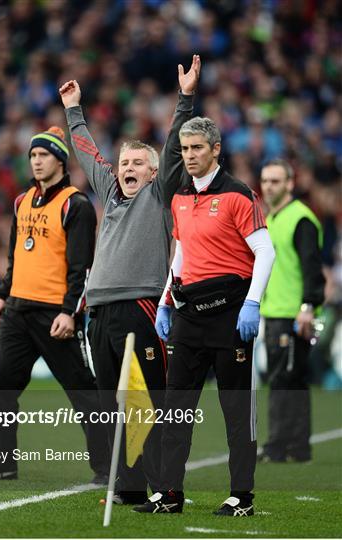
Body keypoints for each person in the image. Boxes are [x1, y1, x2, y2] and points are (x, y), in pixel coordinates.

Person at [59, 55, 201, 504]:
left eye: (138, 163)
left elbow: (176, 147)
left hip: (140, 306)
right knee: (112, 406)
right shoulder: (110, 192)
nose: (128, 168)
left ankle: (164, 486)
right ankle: (130, 487)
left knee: (151, 403)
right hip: (98, 310)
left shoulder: (160, 194)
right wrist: (73, 111)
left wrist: (185, 98)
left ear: (154, 172)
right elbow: (87, 152)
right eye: (125, 163)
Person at [134, 116, 275, 516]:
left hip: (231, 315)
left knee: (236, 413)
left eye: (197, 147)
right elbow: (180, 255)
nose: (189, 155)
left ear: (216, 150)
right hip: (188, 316)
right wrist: (164, 302)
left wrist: (253, 303)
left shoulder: (238, 194)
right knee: (175, 408)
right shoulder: (179, 196)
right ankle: (169, 493)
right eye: (184, 148)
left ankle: (241, 497)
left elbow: (265, 252)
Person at [0, 126, 110, 483]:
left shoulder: (75, 205)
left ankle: (108, 467)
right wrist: (2, 295)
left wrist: (69, 312)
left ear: (60, 160)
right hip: (18, 311)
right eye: (33, 155)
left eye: (43, 155)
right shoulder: (21, 202)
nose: (36, 161)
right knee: (1, 386)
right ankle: (3, 464)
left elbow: (83, 267)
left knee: (83, 392)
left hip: (55, 316)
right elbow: (15, 257)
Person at [258, 158, 325, 463]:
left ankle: (277, 446)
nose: (268, 186)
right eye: (265, 180)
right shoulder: (273, 219)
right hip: (277, 312)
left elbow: (313, 269)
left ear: (290, 184)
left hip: (292, 314)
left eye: (275, 181)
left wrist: (308, 306)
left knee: (283, 380)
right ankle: (298, 448)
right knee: (292, 379)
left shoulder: (300, 219)